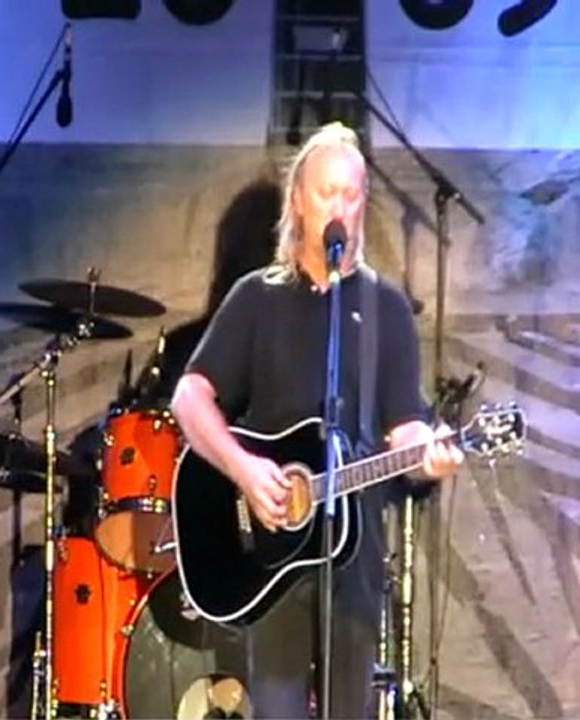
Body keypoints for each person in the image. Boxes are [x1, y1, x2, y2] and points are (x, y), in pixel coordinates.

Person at [169, 122, 464, 719]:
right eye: (328, 192)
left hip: (355, 566)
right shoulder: (257, 297)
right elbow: (188, 398)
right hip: (272, 560)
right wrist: (247, 472)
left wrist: (428, 453)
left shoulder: (386, 309)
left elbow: (404, 426)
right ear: (299, 201)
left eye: (353, 194)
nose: (341, 207)